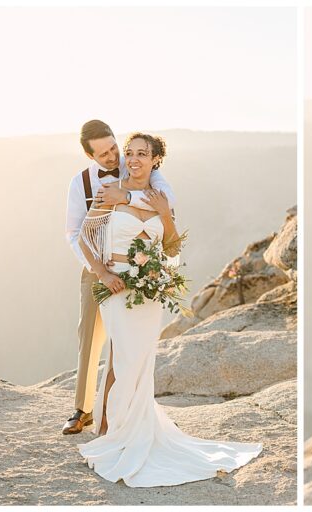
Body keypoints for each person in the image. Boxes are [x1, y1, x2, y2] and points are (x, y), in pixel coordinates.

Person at [76, 132, 262, 486]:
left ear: (155, 159)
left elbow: (173, 247)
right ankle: (116, 431)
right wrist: (102, 273)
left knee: (142, 361)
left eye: (142, 154)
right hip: (117, 287)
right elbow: (86, 237)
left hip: (148, 293)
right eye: (129, 153)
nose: (133, 159)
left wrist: (165, 215)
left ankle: (127, 427)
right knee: (126, 359)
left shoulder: (160, 197)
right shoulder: (110, 194)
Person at [62, 120, 176, 435]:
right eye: (104, 154)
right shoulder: (80, 183)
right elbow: (74, 233)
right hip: (95, 266)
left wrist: (125, 199)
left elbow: (166, 200)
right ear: (89, 155)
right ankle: (82, 409)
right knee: (90, 334)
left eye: (114, 148)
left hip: (136, 266)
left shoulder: (138, 163)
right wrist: (98, 269)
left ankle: (117, 414)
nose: (114, 158)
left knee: (124, 344)